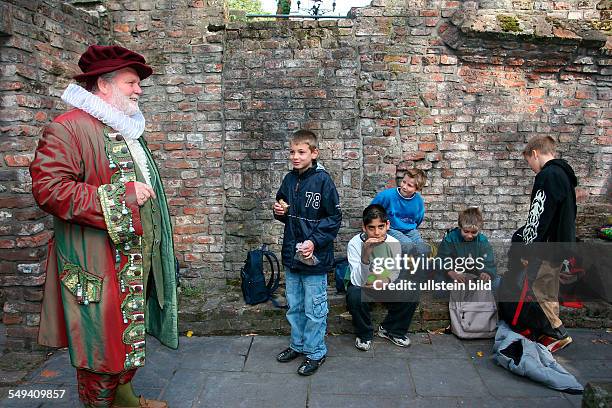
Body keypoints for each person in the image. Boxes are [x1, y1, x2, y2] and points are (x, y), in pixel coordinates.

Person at [30, 45, 178, 408]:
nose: (138, 91)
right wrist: (121, 196)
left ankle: (125, 400)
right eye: (131, 83)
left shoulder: (124, 127)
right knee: (99, 348)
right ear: (104, 84)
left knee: (129, 334)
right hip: (96, 263)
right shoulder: (68, 128)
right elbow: (49, 190)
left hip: (133, 259)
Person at [273, 130, 342, 376]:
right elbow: (281, 205)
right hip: (292, 255)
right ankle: (298, 345)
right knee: (294, 306)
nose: (295, 156)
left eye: (301, 152)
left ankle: (316, 352)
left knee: (315, 308)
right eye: (292, 152)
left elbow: (334, 219)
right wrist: (278, 210)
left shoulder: (323, 181)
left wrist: (314, 241)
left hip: (315, 258)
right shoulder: (289, 180)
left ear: (314, 153)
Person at [499, 135, 577, 353]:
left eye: (528, 162)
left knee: (539, 290)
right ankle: (550, 333)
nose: (531, 168)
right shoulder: (565, 175)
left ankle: (558, 332)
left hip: (545, 247)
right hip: (559, 244)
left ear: (534, 153)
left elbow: (538, 216)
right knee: (548, 289)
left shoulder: (547, 176)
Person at [346, 204, 418, 351]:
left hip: (384, 283)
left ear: (387, 225)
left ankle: (391, 330)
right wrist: (365, 253)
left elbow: (395, 271)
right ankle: (364, 334)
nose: (377, 232)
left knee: (412, 290)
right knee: (354, 295)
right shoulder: (354, 243)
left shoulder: (393, 242)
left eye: (381, 227)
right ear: (364, 227)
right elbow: (356, 280)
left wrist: (386, 280)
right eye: (371, 228)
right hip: (363, 284)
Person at [437, 207, 499, 292]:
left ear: (479, 230)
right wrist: (452, 273)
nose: (469, 236)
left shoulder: (482, 241)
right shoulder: (450, 238)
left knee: (497, 283)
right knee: (440, 287)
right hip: (455, 275)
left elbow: (489, 262)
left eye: (473, 232)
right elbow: (441, 259)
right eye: (466, 231)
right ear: (460, 227)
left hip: (475, 276)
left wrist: (486, 273)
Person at [371, 168, 430, 257]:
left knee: (423, 250)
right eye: (403, 182)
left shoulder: (418, 201)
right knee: (407, 245)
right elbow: (371, 211)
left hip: (409, 230)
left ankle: (419, 269)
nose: (404, 186)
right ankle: (401, 268)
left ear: (417, 189)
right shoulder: (387, 196)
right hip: (391, 228)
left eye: (409, 185)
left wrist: (409, 227)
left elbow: (418, 219)